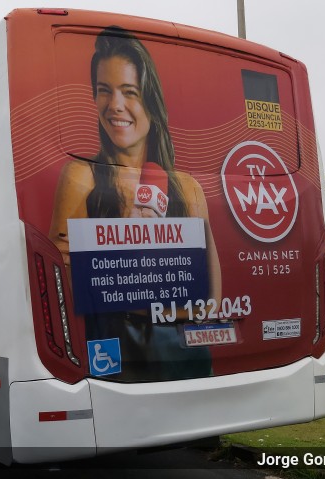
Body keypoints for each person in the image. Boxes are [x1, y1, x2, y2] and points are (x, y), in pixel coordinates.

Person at [49, 26, 221, 381]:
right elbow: (62, 285)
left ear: (151, 102)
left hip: (184, 354)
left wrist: (147, 300)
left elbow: (210, 296)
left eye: (129, 92)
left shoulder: (187, 187)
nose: (115, 106)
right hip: (113, 353)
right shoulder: (81, 177)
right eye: (104, 91)